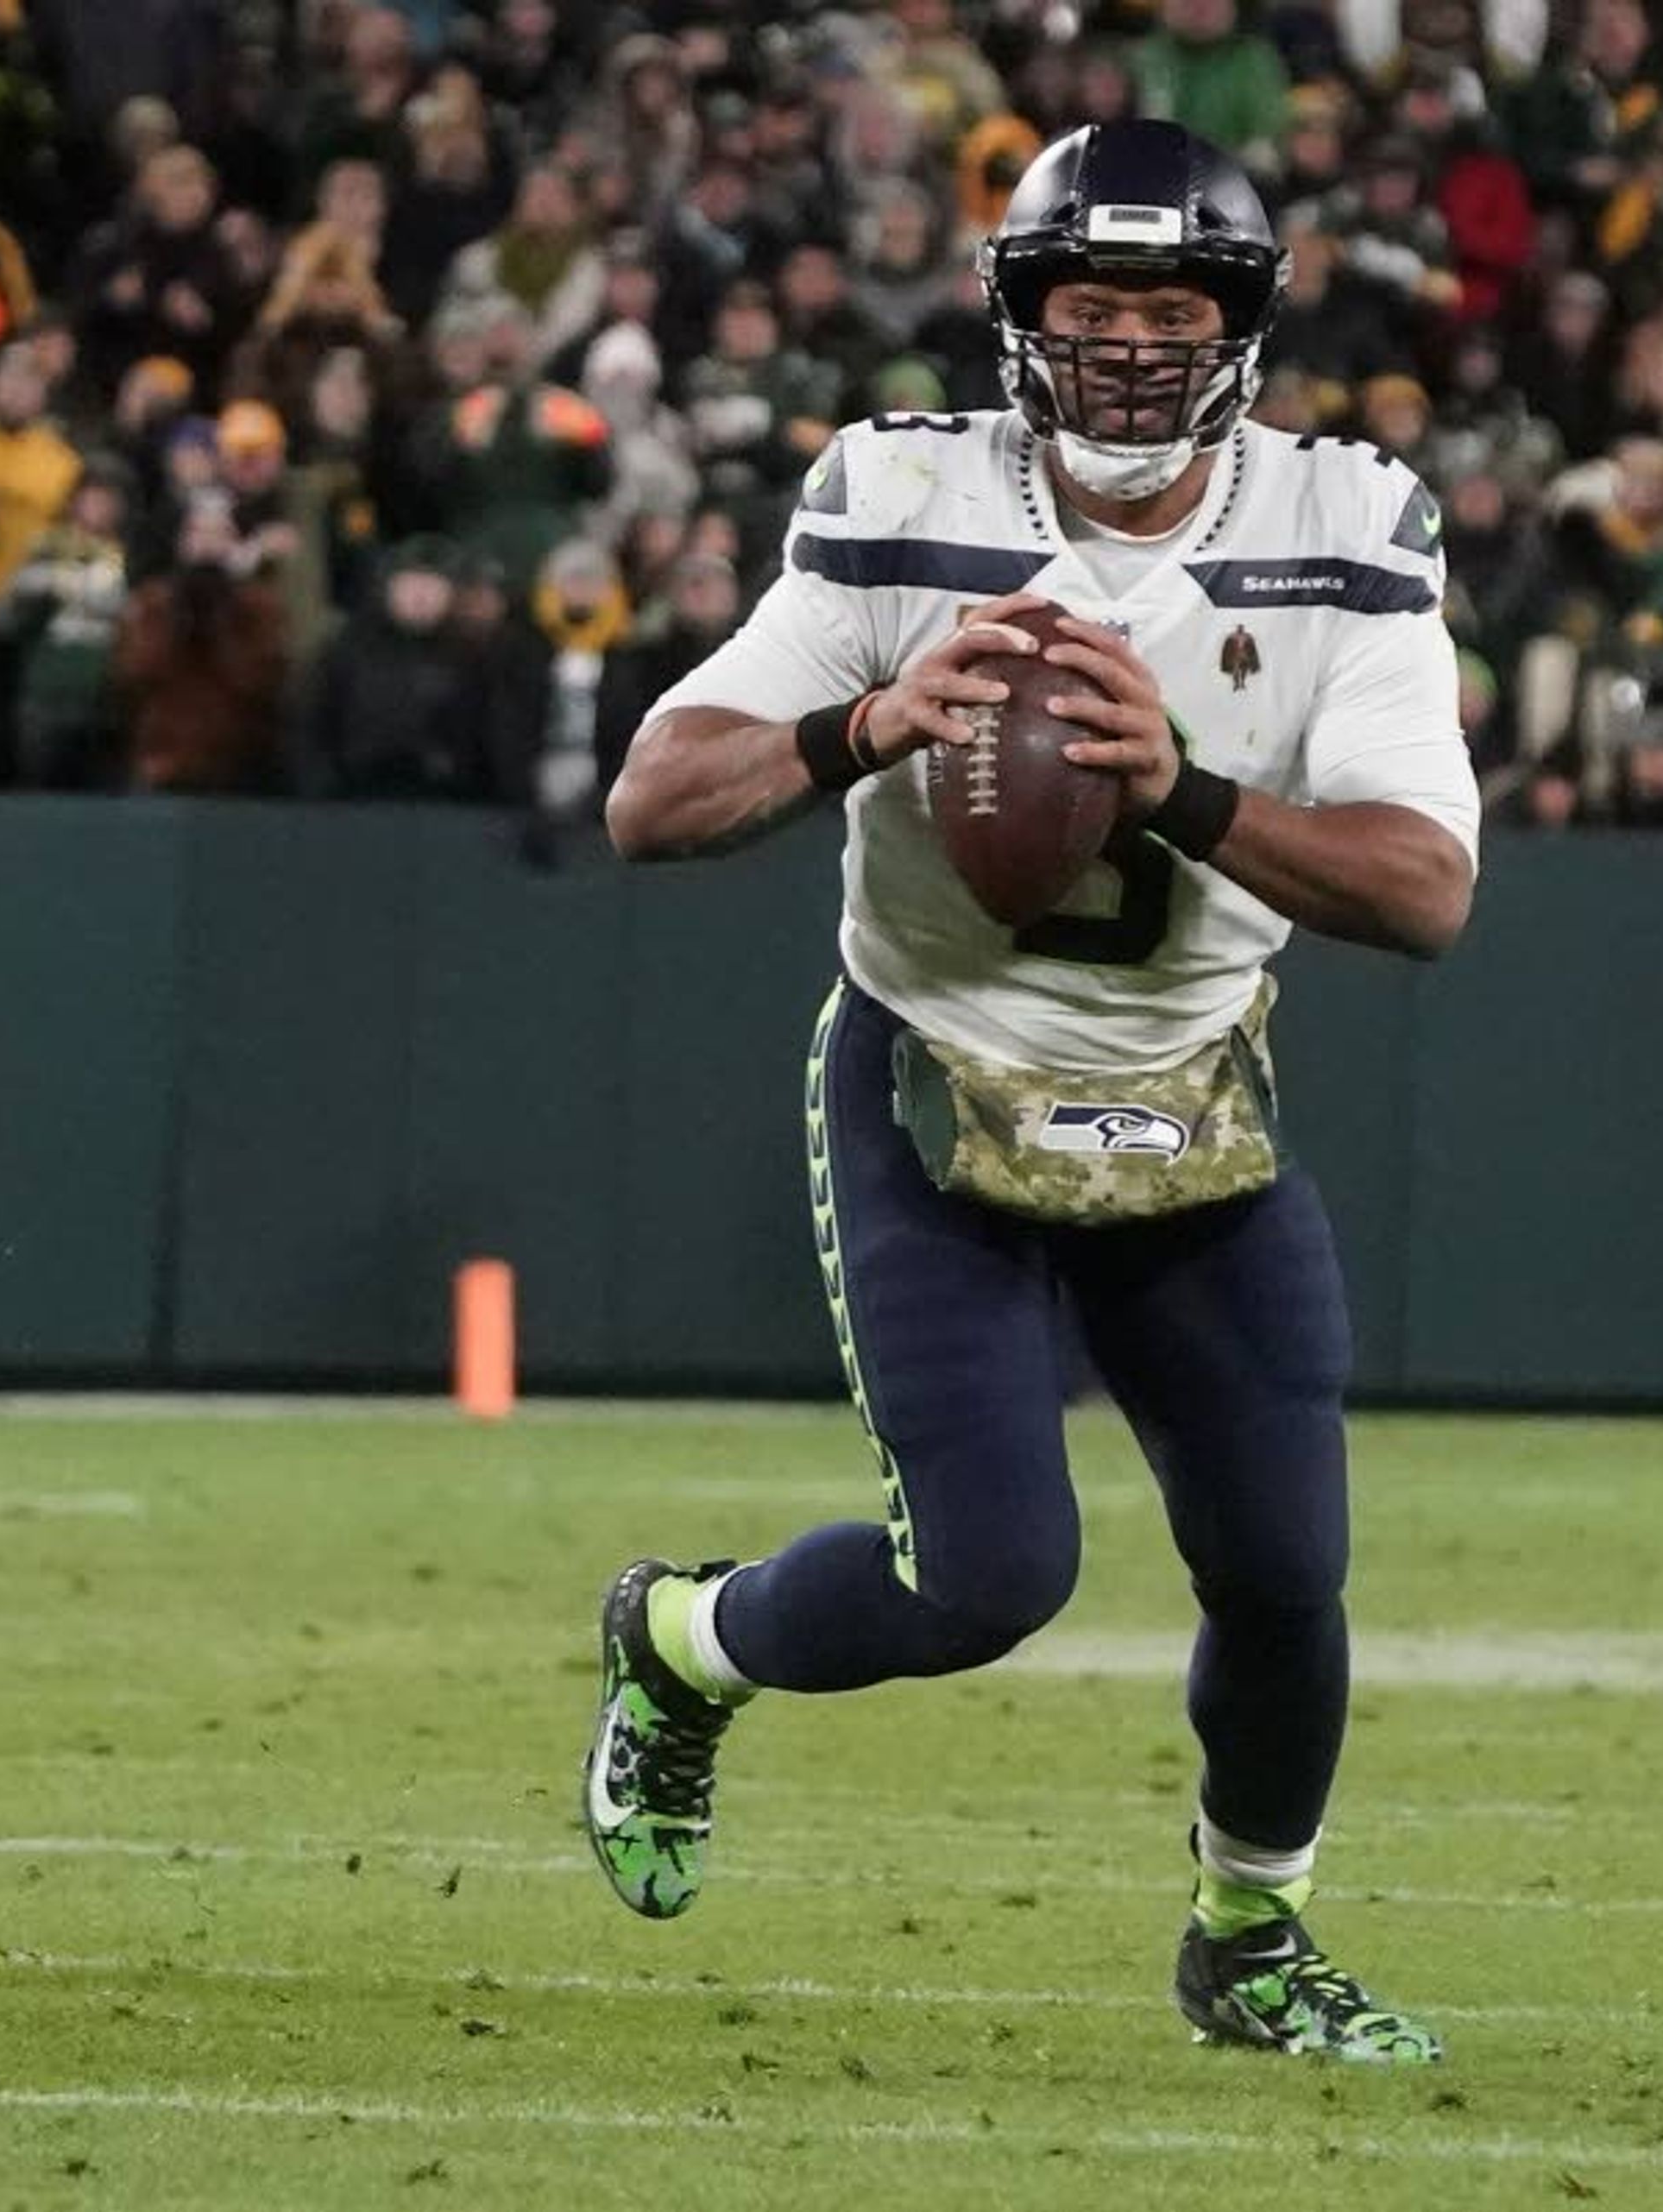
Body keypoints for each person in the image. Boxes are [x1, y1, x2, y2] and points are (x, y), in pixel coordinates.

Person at [583, 119, 1474, 2066]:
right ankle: (678, 1644)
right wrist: (862, 724)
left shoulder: (1344, 527)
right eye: (1095, 305)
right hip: (937, 1087)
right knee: (987, 1576)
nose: (1134, 347)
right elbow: (652, 802)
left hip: (1186, 1105)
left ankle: (1252, 1939)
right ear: (1023, 318)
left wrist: (1189, 790)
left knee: (1287, 1570)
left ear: (1240, 326)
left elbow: (1425, 890)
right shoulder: (906, 499)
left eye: (1173, 308)